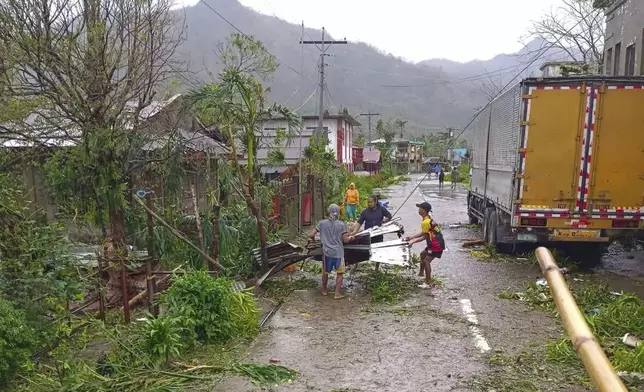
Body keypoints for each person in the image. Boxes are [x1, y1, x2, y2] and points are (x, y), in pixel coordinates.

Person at [309, 204, 355, 299]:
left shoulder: (321, 223)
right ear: (338, 213)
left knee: (325, 272)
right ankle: (337, 293)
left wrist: (313, 240)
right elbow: (345, 240)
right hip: (338, 253)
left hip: (326, 253)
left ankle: (324, 290)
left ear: (328, 212)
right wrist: (351, 238)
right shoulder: (342, 225)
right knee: (340, 273)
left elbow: (311, 234)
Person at [406, 202, 445, 289]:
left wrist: (412, 241)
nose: (419, 210)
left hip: (436, 244)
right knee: (423, 254)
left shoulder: (425, 222)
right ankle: (421, 274)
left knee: (426, 261)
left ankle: (428, 282)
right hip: (436, 243)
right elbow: (424, 232)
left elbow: (424, 236)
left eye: (420, 208)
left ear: (424, 211)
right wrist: (411, 237)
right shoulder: (427, 219)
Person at [350, 194, 392, 272]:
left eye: (371, 202)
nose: (369, 204)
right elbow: (360, 222)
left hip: (378, 234)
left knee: (378, 250)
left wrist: (384, 221)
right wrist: (355, 231)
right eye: (368, 202)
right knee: (361, 250)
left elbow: (389, 216)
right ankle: (355, 265)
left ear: (376, 202)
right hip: (367, 234)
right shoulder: (365, 212)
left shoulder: (381, 209)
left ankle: (377, 267)